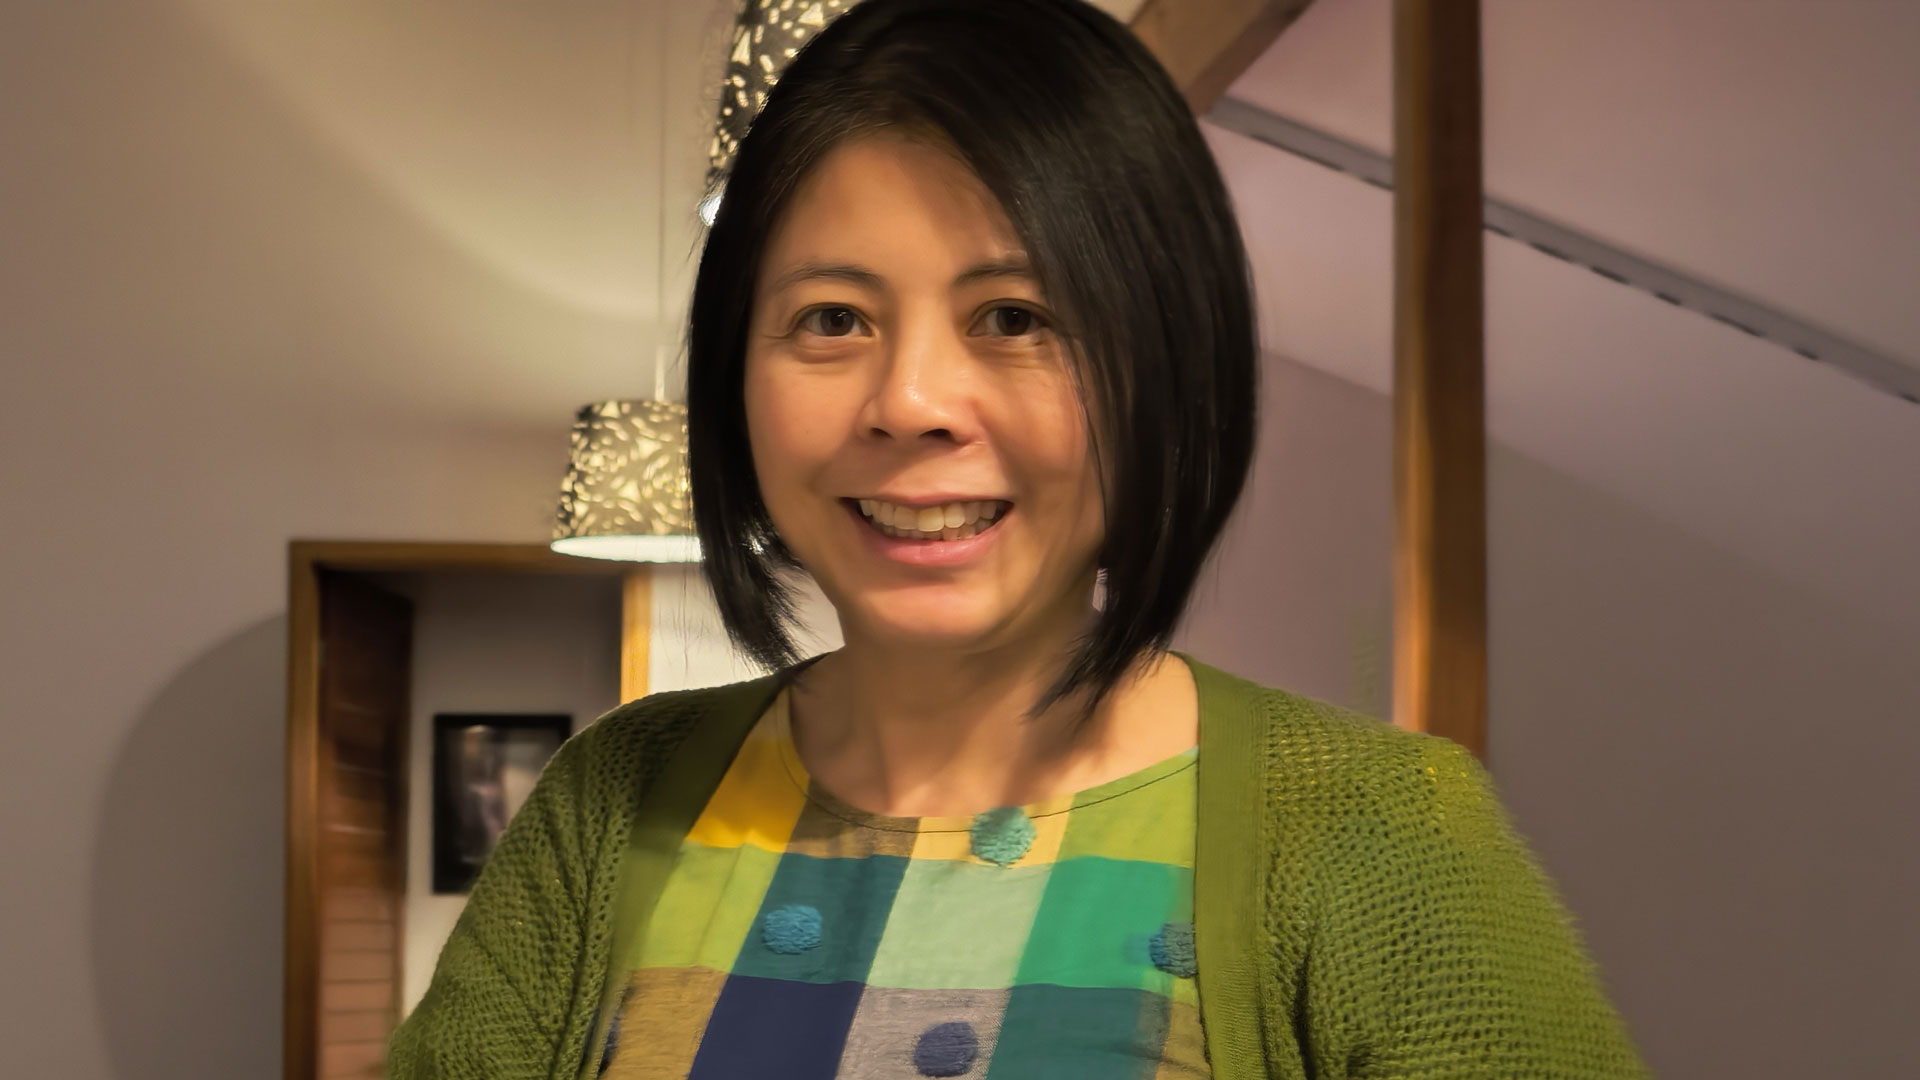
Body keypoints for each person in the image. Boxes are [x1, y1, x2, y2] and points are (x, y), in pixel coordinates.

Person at [391, 1, 1648, 1077]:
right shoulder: (608, 803)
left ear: (1165, 367)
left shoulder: (1380, 830)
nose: (910, 402)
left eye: (1015, 316)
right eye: (831, 319)